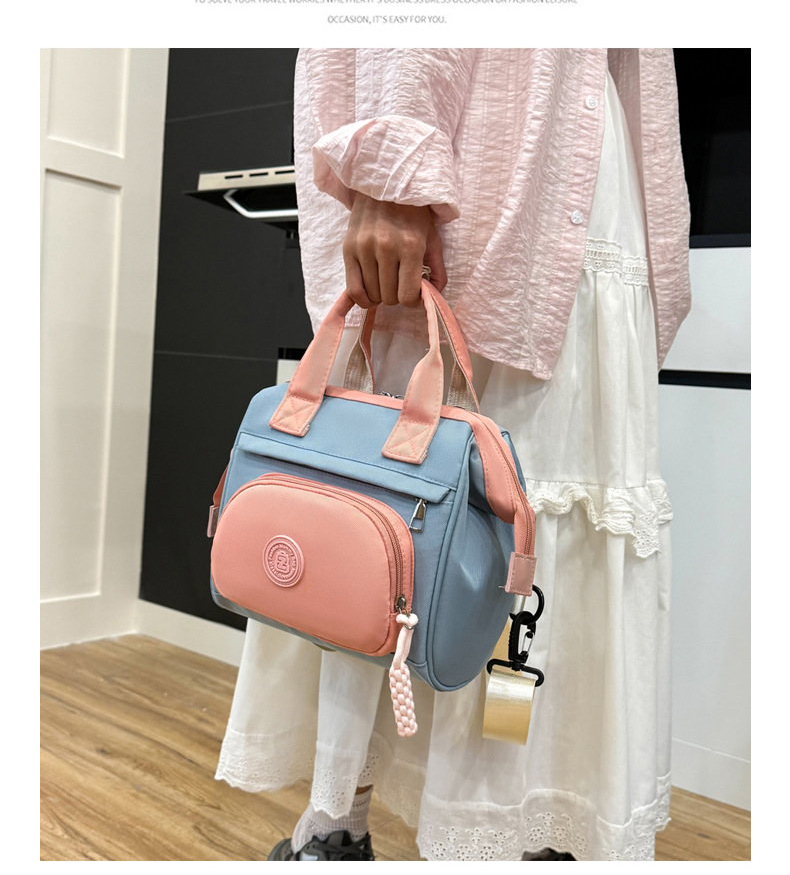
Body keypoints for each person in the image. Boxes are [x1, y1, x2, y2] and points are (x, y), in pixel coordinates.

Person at [215, 48, 691, 862]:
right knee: (400, 526)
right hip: (489, 151)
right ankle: (346, 822)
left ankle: (506, 827)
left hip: (582, 163)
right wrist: (392, 173)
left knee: (497, 544)